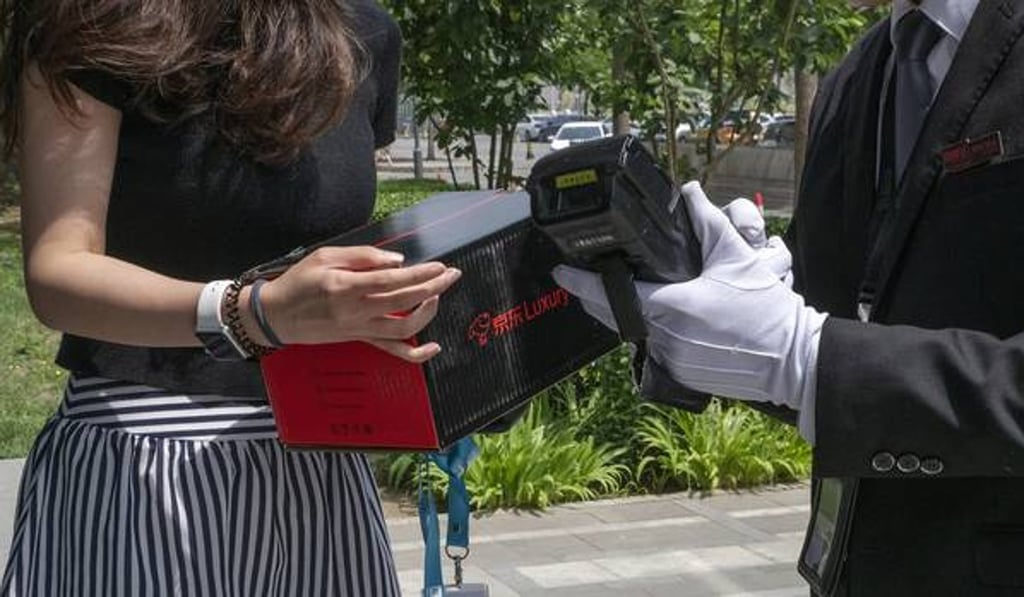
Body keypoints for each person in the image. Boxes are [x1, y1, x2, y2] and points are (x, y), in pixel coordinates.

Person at [555, 0, 1024, 594]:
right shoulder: (859, 73)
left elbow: (816, 356)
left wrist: (803, 359)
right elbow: (824, 328)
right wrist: (709, 305)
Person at [0, 1, 462, 595]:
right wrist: (249, 313)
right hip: (144, 465)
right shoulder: (93, 16)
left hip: (321, 466)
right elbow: (58, 273)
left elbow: (341, 249)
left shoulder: (362, 30)